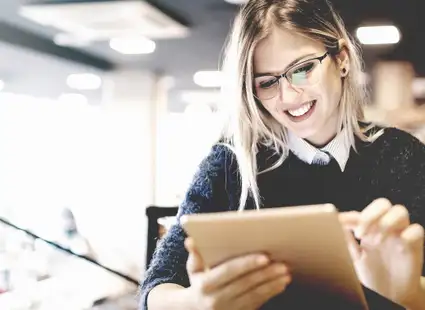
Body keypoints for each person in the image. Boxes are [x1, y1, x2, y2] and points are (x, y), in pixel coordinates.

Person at [140, 0, 425, 309]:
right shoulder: (229, 164)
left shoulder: (404, 158)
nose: (289, 96)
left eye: (302, 70)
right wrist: (194, 303)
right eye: (267, 82)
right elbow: (156, 288)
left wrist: (408, 293)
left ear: (341, 59)